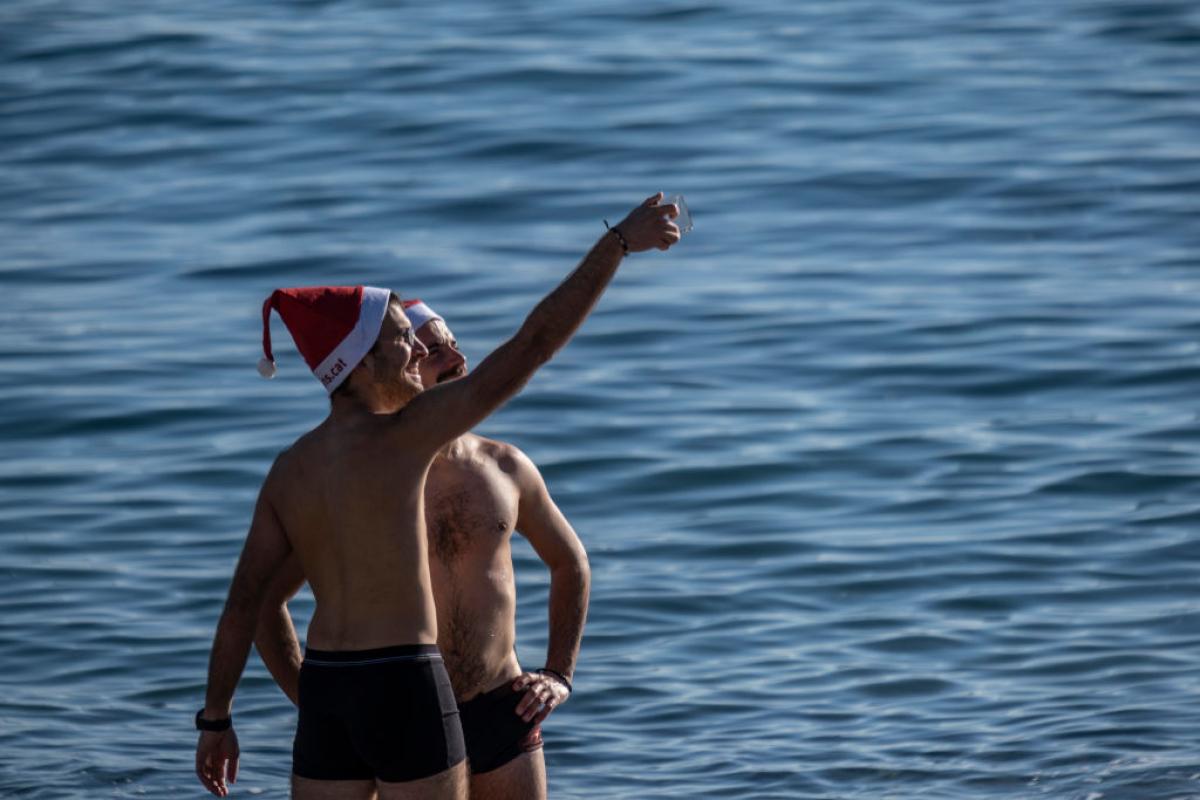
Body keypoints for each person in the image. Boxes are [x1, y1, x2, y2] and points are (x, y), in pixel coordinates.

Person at [194, 193, 680, 800]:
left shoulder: (291, 469)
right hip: (405, 682)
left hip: (349, 694)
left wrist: (217, 719)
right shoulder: (404, 443)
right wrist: (617, 245)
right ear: (363, 364)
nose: (427, 353)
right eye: (407, 340)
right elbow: (532, 346)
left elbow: (243, 599)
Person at [257, 298, 588, 799]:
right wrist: (317, 701)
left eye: (452, 341)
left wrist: (559, 673)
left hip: (500, 706)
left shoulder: (505, 468)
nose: (452, 354)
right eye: (430, 348)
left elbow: (569, 563)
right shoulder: (363, 481)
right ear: (400, 369)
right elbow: (266, 600)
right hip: (403, 720)